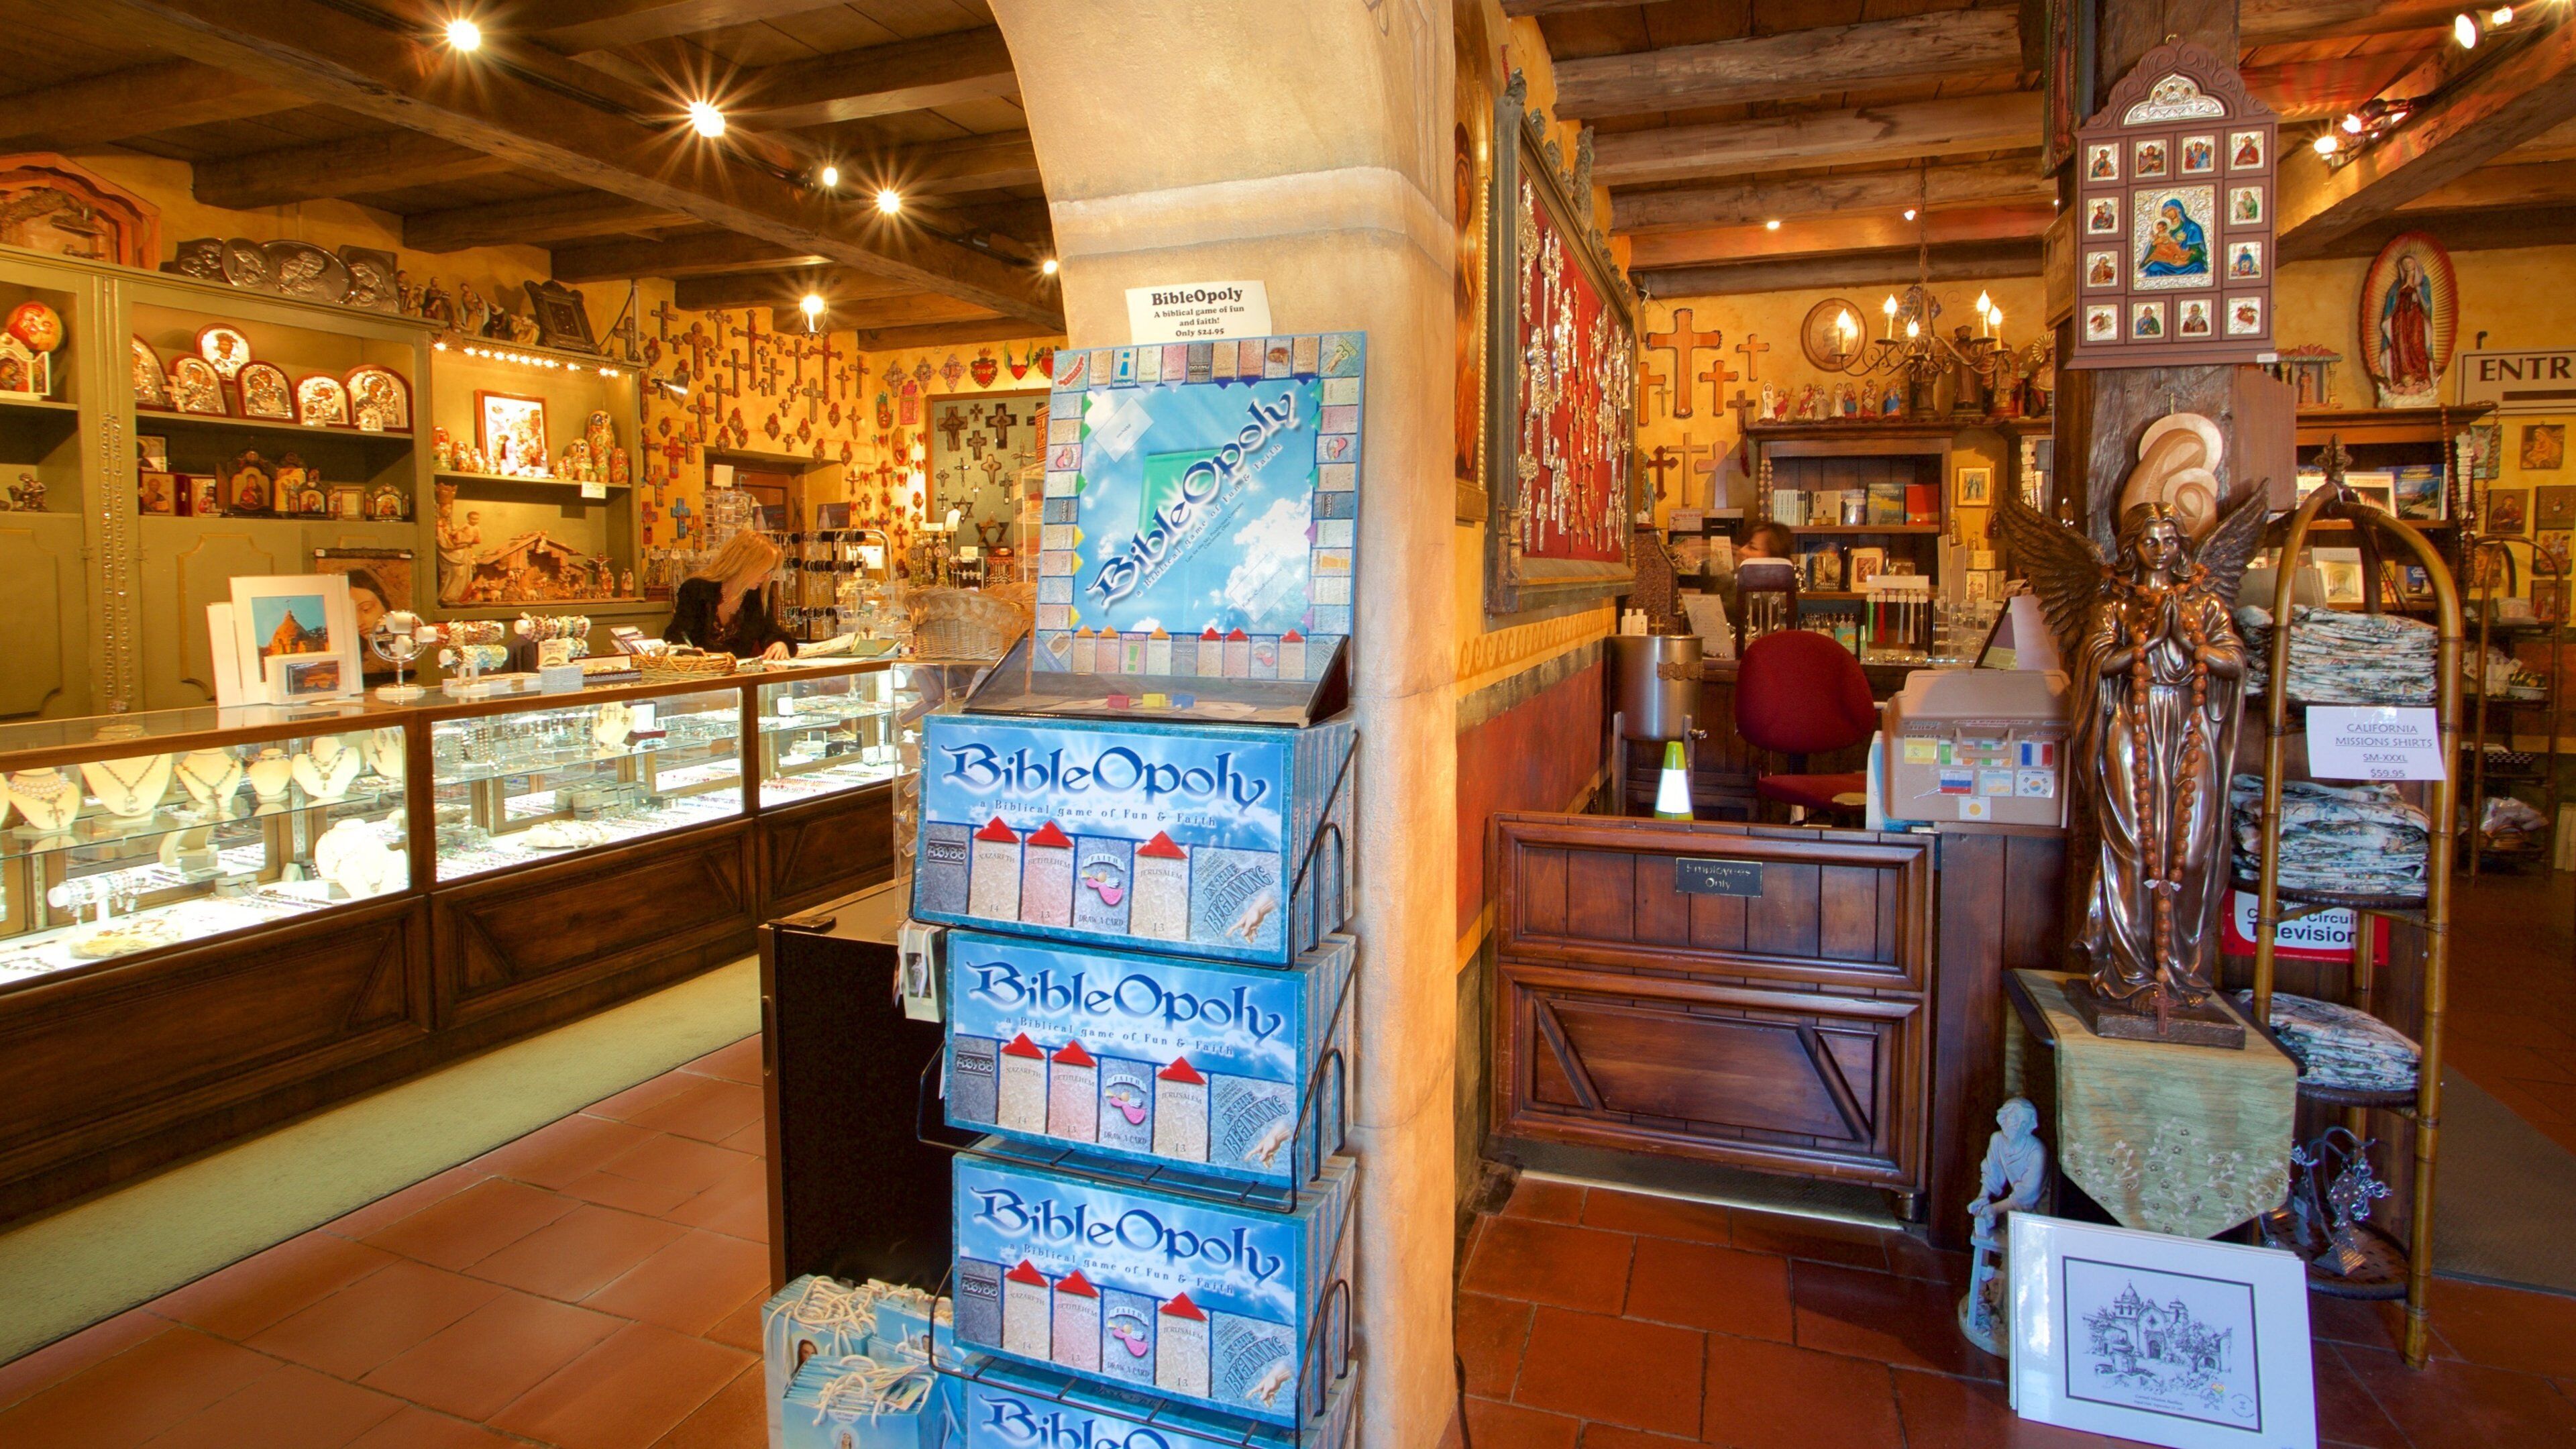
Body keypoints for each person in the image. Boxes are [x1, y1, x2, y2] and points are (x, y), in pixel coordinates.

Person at [665, 532, 794, 659]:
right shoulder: (697, 589)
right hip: (698, 674)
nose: (767, 577)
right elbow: (676, 636)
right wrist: (686, 651)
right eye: (764, 571)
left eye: (770, 572)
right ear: (744, 565)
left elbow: (773, 632)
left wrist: (780, 644)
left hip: (738, 676)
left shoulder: (755, 596)